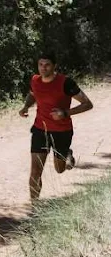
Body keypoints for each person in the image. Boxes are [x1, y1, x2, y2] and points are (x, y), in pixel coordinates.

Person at [19, 51, 93, 201]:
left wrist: (65, 113)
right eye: (40, 65)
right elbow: (33, 94)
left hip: (62, 131)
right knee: (35, 170)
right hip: (40, 129)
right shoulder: (35, 80)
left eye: (47, 65)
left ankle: (67, 156)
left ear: (54, 66)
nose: (43, 68)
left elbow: (88, 104)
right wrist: (26, 106)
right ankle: (35, 209)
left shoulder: (66, 83)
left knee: (59, 169)